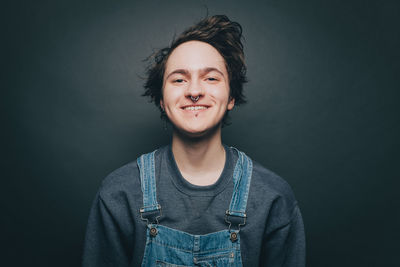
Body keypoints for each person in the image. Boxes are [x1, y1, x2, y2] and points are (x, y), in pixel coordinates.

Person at [82, 15, 305, 267]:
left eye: (211, 78)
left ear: (231, 96)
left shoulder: (273, 198)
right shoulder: (118, 194)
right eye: (179, 79)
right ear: (162, 100)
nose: (194, 91)